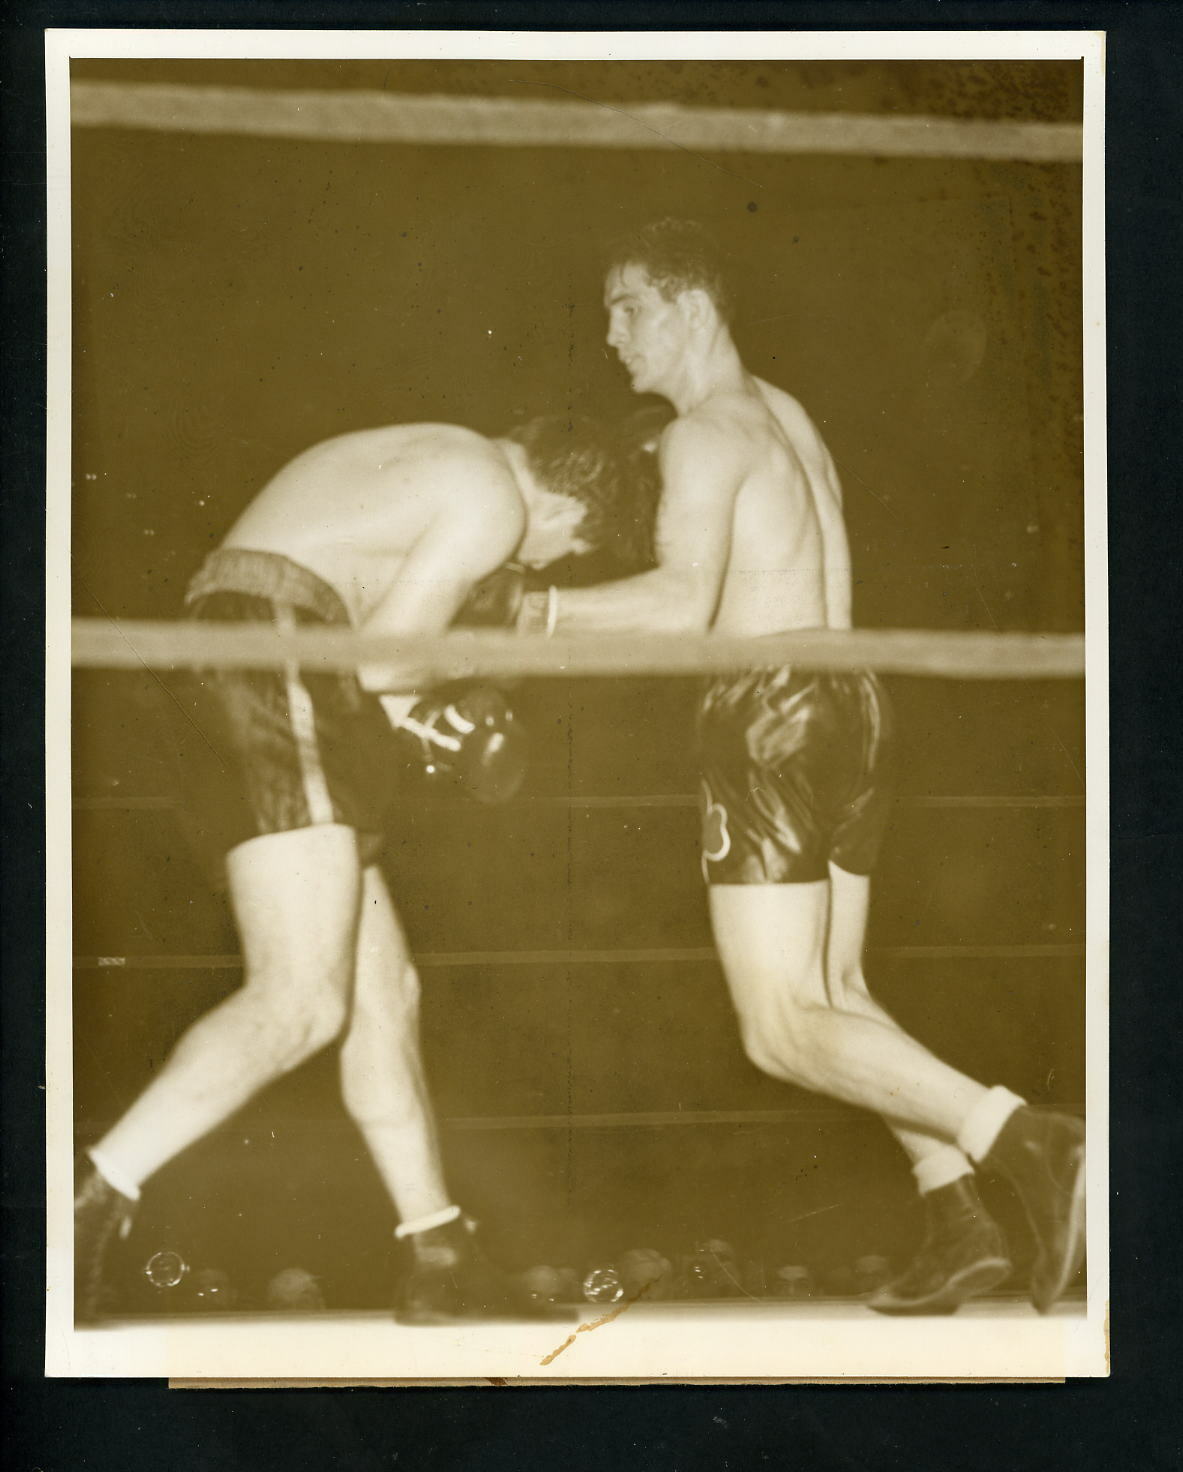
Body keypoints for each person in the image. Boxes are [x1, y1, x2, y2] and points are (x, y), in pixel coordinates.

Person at [519, 219, 1085, 1316]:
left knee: (780, 1024)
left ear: (690, 306)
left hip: (769, 713)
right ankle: (952, 1214)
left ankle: (1029, 1141)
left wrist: (525, 612)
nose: (609, 335)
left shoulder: (705, 436)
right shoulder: (785, 414)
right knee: (837, 990)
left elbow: (683, 610)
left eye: (626, 306)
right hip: (853, 706)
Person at [74, 413, 629, 1325]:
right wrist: (454, 714)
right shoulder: (490, 492)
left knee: (384, 993)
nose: (542, 567)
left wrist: (433, 718)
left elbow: (371, 653)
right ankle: (83, 1204)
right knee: (300, 998)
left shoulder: (439, 459)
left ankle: (439, 1251)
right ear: (567, 503)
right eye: (567, 549)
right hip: (280, 658)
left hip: (263, 660)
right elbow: (386, 663)